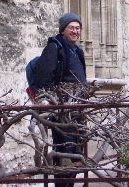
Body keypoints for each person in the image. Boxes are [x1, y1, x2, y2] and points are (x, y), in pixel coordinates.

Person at [39, 13, 87, 187]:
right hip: (62, 113)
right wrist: (57, 104)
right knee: (63, 154)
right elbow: (44, 80)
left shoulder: (78, 51)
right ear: (62, 30)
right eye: (71, 28)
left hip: (77, 112)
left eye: (77, 28)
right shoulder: (54, 48)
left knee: (76, 155)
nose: (75, 31)